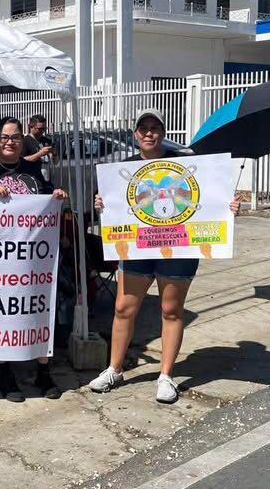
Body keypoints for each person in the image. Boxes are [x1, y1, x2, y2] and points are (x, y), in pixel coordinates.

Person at [87, 109, 240, 404]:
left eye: (155, 127)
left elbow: (209, 199)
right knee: (123, 308)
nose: (149, 133)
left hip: (178, 248)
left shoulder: (184, 164)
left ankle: (166, 375)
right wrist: (101, 203)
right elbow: (112, 206)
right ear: (135, 134)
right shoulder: (122, 169)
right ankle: (114, 369)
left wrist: (228, 207)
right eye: (143, 127)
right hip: (136, 248)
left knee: (171, 311)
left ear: (163, 132)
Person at [0, 116, 68, 402]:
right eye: (5, 137)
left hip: (33, 259)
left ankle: (43, 371)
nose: (10, 142)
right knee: (2, 313)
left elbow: (45, 199)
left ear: (23, 140)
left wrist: (56, 195)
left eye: (15, 137)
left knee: (37, 310)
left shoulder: (32, 169)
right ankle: (5, 373)